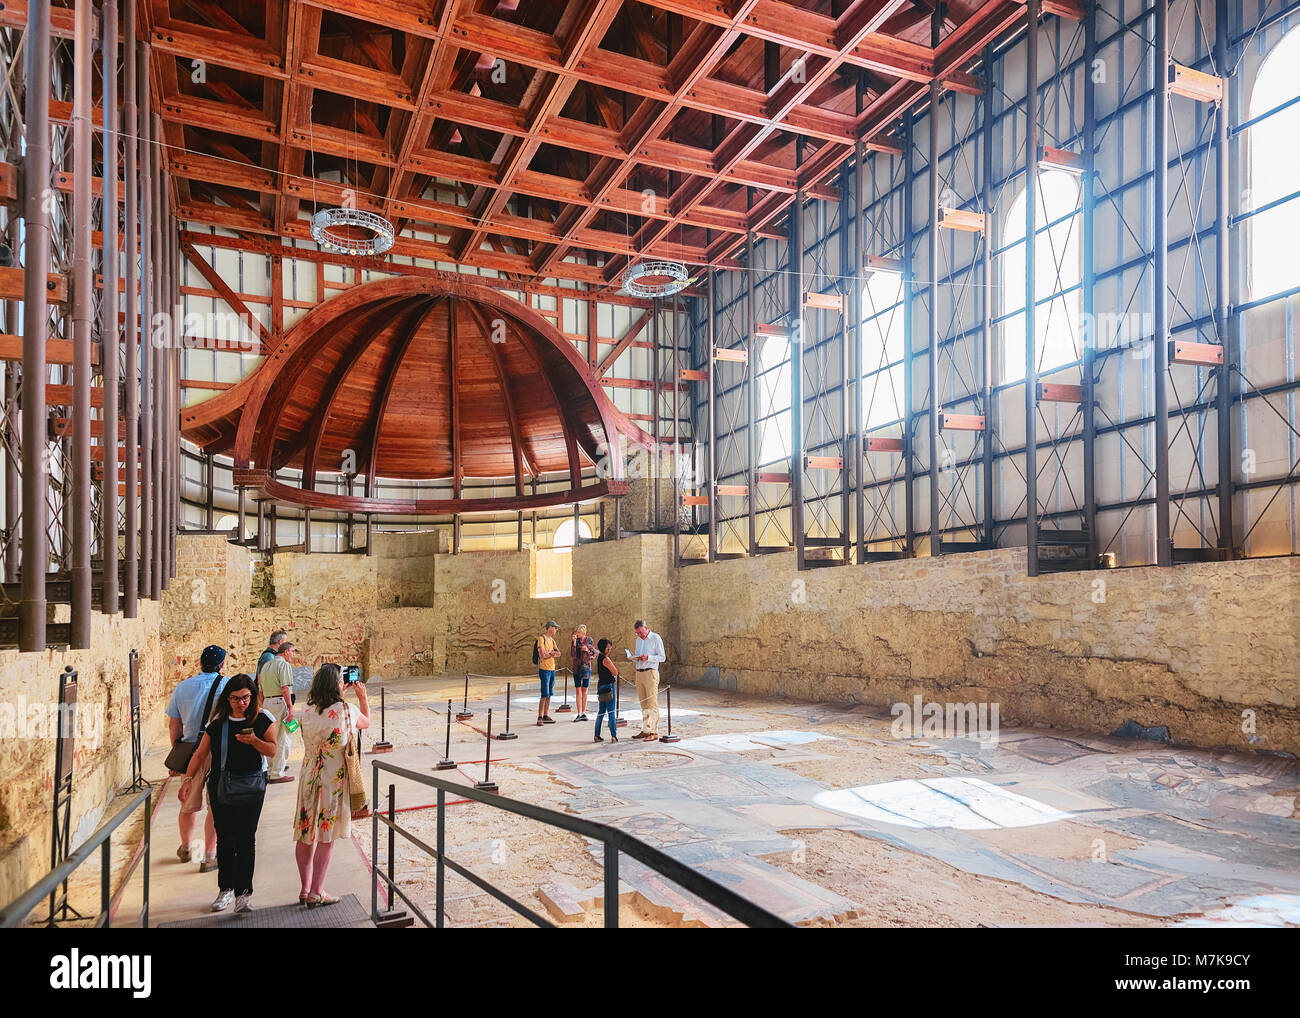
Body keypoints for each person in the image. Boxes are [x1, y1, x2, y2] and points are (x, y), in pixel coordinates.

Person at [178, 673, 277, 913]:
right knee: (225, 839)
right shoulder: (219, 723)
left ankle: (244, 895)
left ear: (252, 696)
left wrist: (254, 741)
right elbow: (200, 754)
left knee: (246, 839)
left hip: (252, 786)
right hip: (222, 786)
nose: (240, 703)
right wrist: (189, 779)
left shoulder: (263, 719)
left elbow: (272, 750)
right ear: (227, 698)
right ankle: (226, 890)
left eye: (245, 698)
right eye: (235, 698)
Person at [293, 663, 371, 908]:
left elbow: (294, 727)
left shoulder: (304, 710)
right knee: (326, 834)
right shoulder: (346, 709)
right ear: (338, 685)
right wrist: (362, 696)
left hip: (308, 774)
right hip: (332, 778)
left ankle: (305, 888)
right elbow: (365, 723)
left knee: (305, 832)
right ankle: (318, 891)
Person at [164, 645, 229, 871]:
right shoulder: (227, 685)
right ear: (222, 665)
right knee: (216, 806)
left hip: (191, 750)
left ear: (200, 663)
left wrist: (178, 753)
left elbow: (174, 725)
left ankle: (186, 848)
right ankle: (210, 855)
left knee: (188, 803)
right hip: (217, 750)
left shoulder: (182, 687)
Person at [259, 640, 299, 781]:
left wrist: (262, 706)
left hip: (267, 702)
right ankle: (277, 773)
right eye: (292, 652)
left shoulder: (266, 665)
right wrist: (290, 708)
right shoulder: (284, 665)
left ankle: (270, 770)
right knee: (282, 738)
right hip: (280, 702)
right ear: (286, 651)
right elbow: (285, 688)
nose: (293, 655)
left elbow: (261, 691)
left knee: (270, 736)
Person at [632, 620, 665, 742]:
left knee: (652, 703)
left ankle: (654, 732)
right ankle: (646, 730)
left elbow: (662, 657)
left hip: (651, 672)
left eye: (640, 632)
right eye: (637, 633)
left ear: (646, 628)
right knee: (643, 704)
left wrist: (649, 657)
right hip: (639, 672)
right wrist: (635, 658)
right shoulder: (638, 640)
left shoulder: (656, 638)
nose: (639, 635)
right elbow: (638, 654)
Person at [593, 639, 619, 744]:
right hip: (608, 686)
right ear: (603, 648)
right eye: (608, 647)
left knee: (601, 711)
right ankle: (613, 736)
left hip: (601, 685)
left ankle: (596, 734)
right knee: (611, 712)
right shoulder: (606, 659)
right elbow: (615, 672)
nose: (610, 649)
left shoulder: (599, 657)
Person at [535, 621, 560, 725]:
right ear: (550, 628)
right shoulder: (542, 639)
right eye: (555, 628)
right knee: (544, 694)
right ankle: (539, 717)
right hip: (544, 669)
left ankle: (545, 715)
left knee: (549, 694)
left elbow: (558, 653)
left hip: (552, 669)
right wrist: (551, 653)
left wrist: (549, 653)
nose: (556, 630)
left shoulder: (552, 640)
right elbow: (542, 655)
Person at [570, 624, 596, 722]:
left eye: (579, 632)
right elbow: (572, 654)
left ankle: (584, 712)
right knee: (578, 690)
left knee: (585, 690)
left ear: (584, 632)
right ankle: (579, 713)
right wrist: (573, 643)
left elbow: (594, 654)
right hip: (576, 668)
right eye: (577, 631)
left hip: (586, 668)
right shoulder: (575, 641)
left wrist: (588, 650)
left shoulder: (589, 640)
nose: (577, 633)